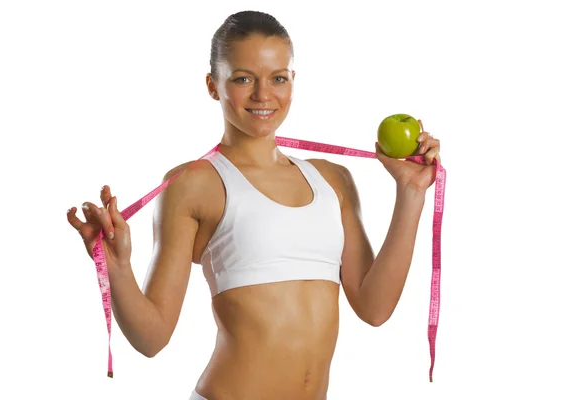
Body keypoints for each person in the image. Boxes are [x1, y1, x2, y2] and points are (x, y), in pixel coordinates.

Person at [66, 10, 441, 400]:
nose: (264, 95)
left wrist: (411, 192)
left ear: (292, 82)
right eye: (243, 78)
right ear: (213, 86)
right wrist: (117, 268)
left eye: (278, 78)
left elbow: (374, 308)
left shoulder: (333, 179)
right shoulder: (194, 184)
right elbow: (152, 337)